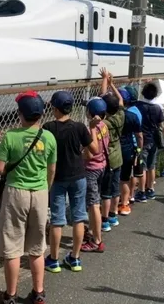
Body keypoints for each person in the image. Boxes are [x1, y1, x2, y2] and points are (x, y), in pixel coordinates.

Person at [0, 91, 57, 304]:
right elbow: (51, 170)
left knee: (12, 248)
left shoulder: (11, 136)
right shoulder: (49, 137)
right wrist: (44, 188)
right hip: (39, 193)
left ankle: (10, 295)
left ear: (20, 114)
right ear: (41, 114)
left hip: (15, 194)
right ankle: (39, 293)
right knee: (37, 247)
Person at [43, 91, 97, 274]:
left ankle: (53, 259)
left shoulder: (48, 128)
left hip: (58, 178)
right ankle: (75, 258)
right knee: (78, 217)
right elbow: (94, 150)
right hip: (79, 176)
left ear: (55, 108)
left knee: (57, 220)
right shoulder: (80, 127)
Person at [81, 97, 109, 253]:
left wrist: (81, 154)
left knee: (93, 205)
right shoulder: (103, 125)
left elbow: (91, 153)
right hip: (102, 166)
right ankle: (92, 231)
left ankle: (97, 241)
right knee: (95, 200)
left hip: (91, 169)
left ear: (90, 114)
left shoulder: (91, 129)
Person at [99, 70, 124, 230]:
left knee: (106, 192)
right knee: (115, 189)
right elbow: (120, 99)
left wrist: (104, 80)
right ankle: (114, 216)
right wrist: (111, 83)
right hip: (118, 157)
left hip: (108, 159)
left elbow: (102, 98)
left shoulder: (105, 124)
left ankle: (105, 220)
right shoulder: (121, 115)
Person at [135, 81, 164, 201]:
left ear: (143, 93)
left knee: (142, 166)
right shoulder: (157, 108)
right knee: (152, 165)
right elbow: (160, 123)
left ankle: (141, 191)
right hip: (154, 139)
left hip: (142, 140)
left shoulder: (138, 106)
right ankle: (150, 189)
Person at [117, 86, 143, 215]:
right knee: (125, 178)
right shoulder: (133, 115)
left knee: (114, 179)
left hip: (115, 149)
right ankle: (125, 204)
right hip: (129, 149)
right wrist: (139, 149)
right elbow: (139, 136)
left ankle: (112, 208)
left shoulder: (113, 116)